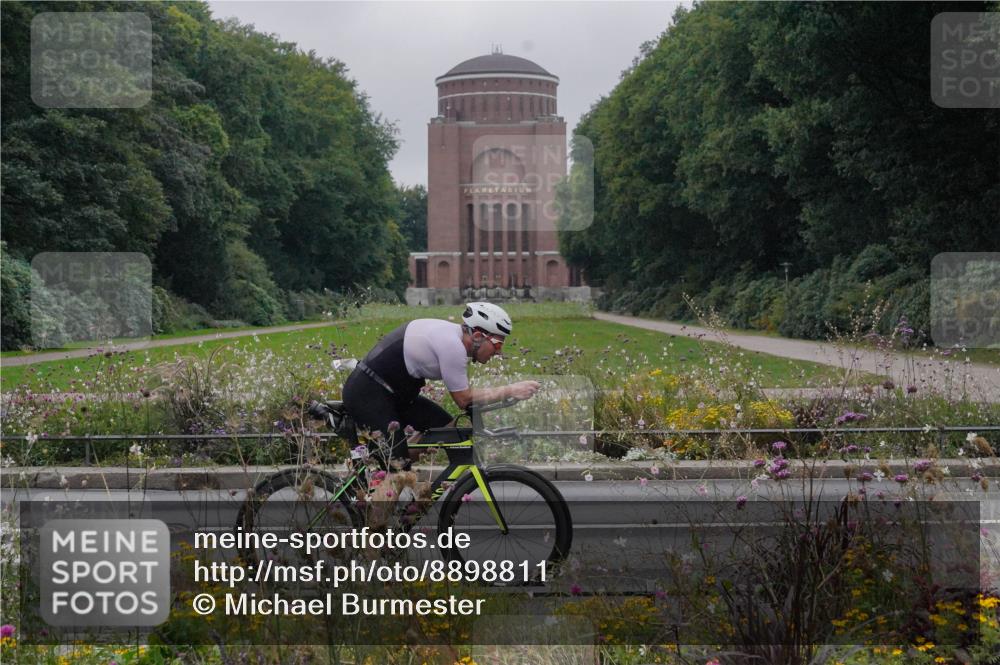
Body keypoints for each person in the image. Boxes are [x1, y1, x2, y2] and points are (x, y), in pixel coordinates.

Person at [341, 302, 540, 469]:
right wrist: (511, 390)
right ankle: (380, 503)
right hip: (368, 394)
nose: (498, 352)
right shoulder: (452, 346)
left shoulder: (452, 337)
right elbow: (464, 399)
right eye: (497, 344)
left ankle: (388, 472)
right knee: (398, 470)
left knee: (446, 429)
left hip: (393, 394)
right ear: (478, 336)